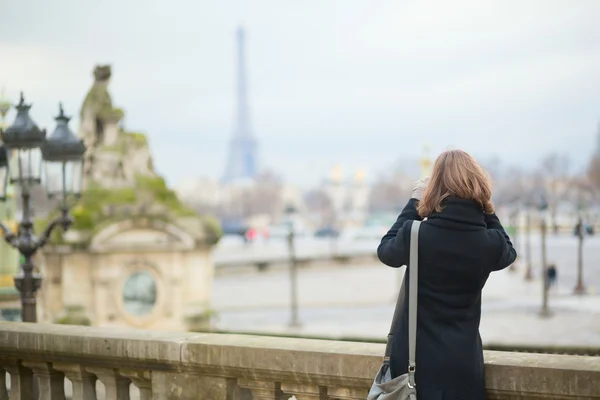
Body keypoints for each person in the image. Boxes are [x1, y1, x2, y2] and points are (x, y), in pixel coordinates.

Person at [377, 149, 516, 400]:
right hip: (464, 367)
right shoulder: (490, 242)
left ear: (435, 188)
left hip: (415, 368)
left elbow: (385, 250)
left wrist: (414, 203)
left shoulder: (416, 234)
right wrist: (485, 206)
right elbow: (509, 251)